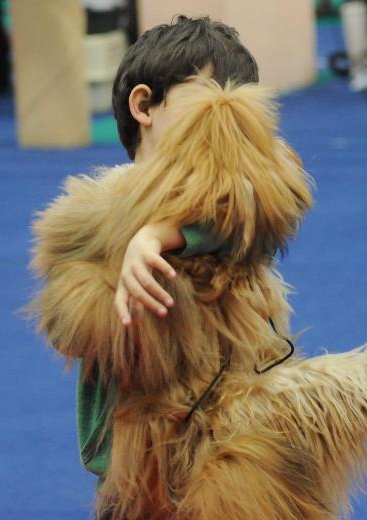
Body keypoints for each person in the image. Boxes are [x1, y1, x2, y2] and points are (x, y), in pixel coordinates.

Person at [75, 15, 260, 483]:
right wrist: (114, 274)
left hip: (235, 441)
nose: (224, 120)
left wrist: (158, 234)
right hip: (140, 460)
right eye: (207, 100)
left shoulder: (238, 194)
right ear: (144, 105)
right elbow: (69, 328)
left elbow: (246, 217)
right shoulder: (91, 213)